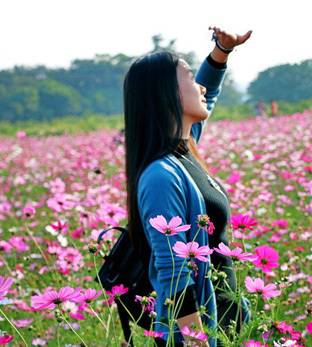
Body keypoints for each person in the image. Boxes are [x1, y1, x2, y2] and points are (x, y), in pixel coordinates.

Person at [123, 26, 253, 347]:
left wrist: (222, 52)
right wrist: (197, 342)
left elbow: (208, 93)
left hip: (226, 325)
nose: (200, 88)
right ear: (167, 94)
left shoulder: (183, 150)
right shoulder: (161, 176)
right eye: (190, 77)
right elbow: (173, 273)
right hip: (202, 335)